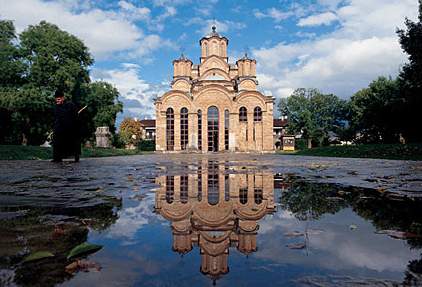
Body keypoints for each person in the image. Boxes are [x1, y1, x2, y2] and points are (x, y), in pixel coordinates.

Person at [52, 90, 81, 162]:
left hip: (70, 128)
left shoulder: (70, 105)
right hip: (59, 128)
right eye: (56, 99)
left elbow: (75, 116)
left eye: (58, 99)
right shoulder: (56, 107)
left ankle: (76, 156)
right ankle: (57, 158)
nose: (57, 101)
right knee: (57, 142)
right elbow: (55, 117)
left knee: (73, 142)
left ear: (63, 98)